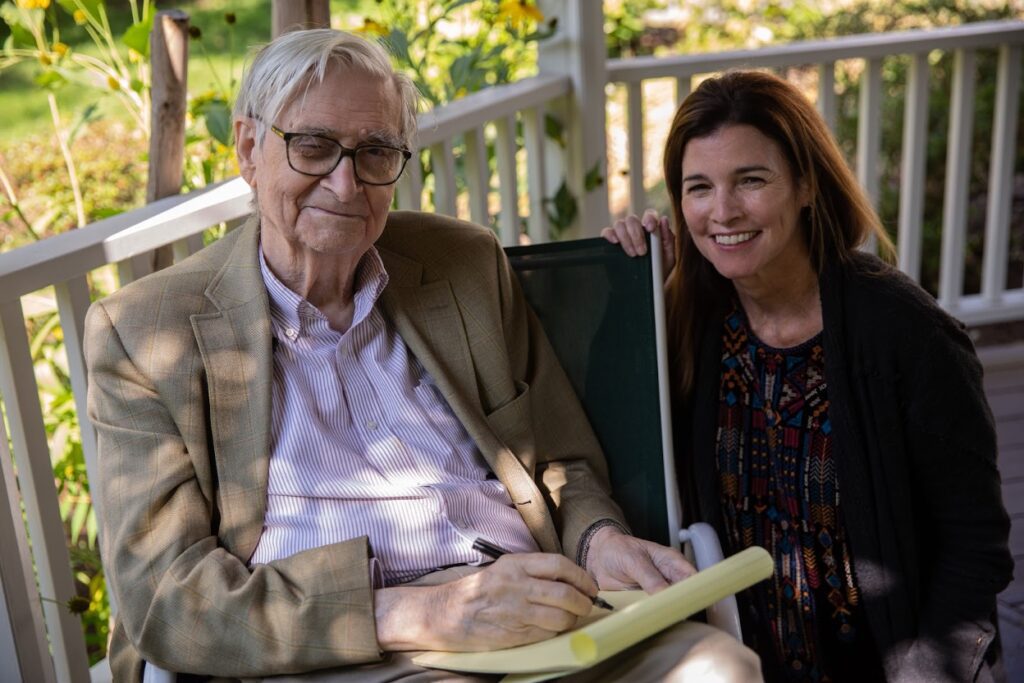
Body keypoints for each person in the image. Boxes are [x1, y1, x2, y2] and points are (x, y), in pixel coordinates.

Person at [84, 29, 761, 683]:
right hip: (346, 643)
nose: (346, 185)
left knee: (718, 666)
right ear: (249, 148)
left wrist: (596, 540)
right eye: (314, 147)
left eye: (376, 151)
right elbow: (170, 597)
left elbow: (559, 458)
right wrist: (425, 613)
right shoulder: (145, 332)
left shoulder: (460, 266)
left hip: (535, 608)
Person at [602, 70, 1013, 682]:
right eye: (698, 188)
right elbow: (601, 436)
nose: (722, 211)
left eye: (751, 180)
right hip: (740, 661)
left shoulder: (908, 334)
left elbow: (974, 544)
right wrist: (636, 297)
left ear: (805, 186)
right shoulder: (692, 318)